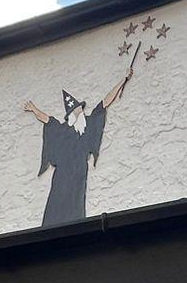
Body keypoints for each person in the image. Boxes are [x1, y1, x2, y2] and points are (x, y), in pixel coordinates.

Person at [23, 65, 134, 227]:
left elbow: (105, 102)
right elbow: (47, 119)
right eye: (77, 112)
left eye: (81, 111)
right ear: (71, 117)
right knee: (58, 201)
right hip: (62, 175)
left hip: (79, 172)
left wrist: (123, 80)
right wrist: (34, 109)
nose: (80, 114)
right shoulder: (62, 130)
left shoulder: (87, 127)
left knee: (76, 202)